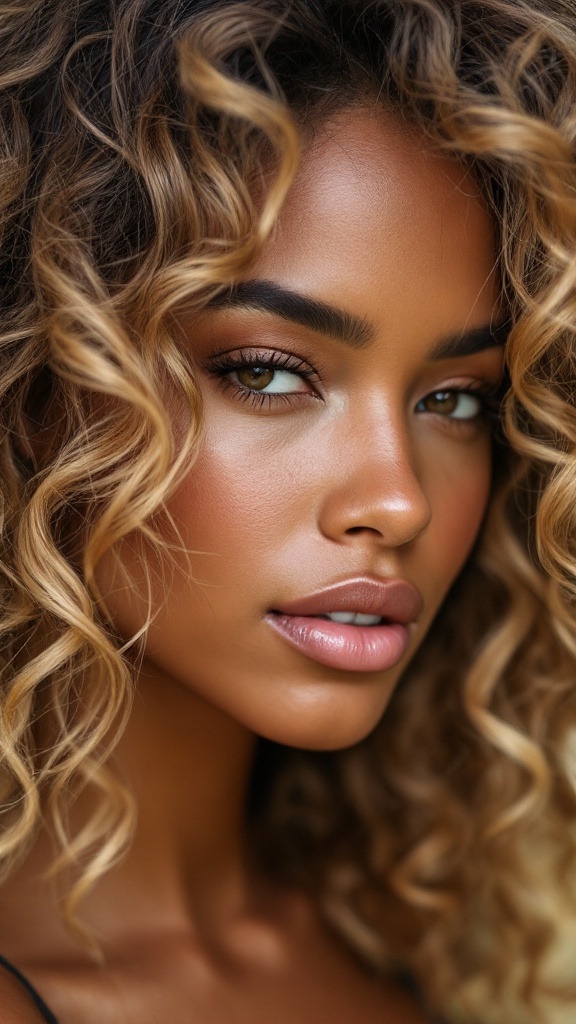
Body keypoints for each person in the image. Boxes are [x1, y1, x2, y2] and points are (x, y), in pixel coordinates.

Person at [1, 0, 576, 1021]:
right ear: (42, 380)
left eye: (455, 399)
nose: (397, 499)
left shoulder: (411, 954)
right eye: (268, 374)